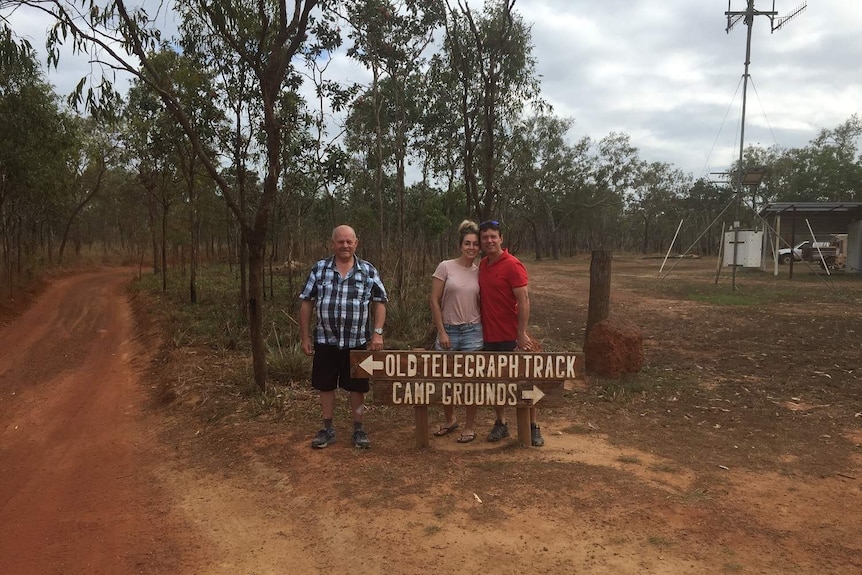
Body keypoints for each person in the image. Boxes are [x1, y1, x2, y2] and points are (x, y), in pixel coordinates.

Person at [299, 225, 388, 449]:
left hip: (357, 342)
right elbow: (307, 302)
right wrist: (305, 336)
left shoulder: (367, 271)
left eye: (349, 241)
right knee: (326, 385)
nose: (345, 245)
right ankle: (327, 428)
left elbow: (380, 301)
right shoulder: (319, 269)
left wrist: (377, 333)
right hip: (325, 340)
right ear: (333, 243)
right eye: (341, 242)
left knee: (357, 387)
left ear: (356, 243)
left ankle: (358, 429)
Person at [477, 219, 543, 447]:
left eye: (493, 236)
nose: (489, 241)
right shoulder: (483, 265)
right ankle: (501, 423)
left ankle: (533, 426)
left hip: (511, 336)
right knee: (497, 382)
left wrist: (521, 333)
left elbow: (524, 300)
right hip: (489, 335)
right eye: (485, 237)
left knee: (524, 381)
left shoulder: (513, 264)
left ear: (501, 239)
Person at [429, 220, 483, 443]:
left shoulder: (481, 271)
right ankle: (450, 420)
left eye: (475, 244)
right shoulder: (445, 267)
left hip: (473, 331)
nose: (471, 247)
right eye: (467, 243)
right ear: (460, 245)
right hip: (448, 329)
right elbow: (434, 300)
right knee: (445, 378)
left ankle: (470, 426)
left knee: (472, 381)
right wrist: (441, 331)